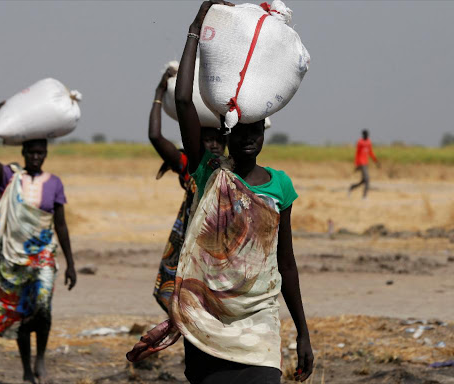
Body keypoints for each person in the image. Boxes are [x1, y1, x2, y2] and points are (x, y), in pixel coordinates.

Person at [128, 2, 314, 383]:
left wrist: (303, 333)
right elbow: (183, 101)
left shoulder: (281, 186)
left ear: (264, 132)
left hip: (259, 324)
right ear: (228, 132)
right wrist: (196, 26)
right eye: (241, 132)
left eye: (256, 131)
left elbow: (287, 263)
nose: (249, 139)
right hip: (206, 318)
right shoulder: (208, 170)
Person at [0, 102, 77, 384]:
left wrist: (71, 263)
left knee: (43, 308)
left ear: (45, 154)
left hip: (43, 255)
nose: (35, 157)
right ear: (23, 153)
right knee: (22, 312)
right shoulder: (10, 176)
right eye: (31, 152)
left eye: (40, 153)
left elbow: (61, 225)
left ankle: (41, 357)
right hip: (13, 257)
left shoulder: (54, 182)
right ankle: (24, 368)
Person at [149, 66, 227, 312]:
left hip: (224, 244)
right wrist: (159, 93)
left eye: (218, 139)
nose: (213, 144)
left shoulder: (235, 167)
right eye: (207, 139)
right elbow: (155, 136)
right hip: (192, 243)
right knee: (188, 307)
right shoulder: (190, 165)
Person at [348, 129, 379, 198]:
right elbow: (357, 153)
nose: (367, 136)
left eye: (367, 134)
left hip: (366, 163)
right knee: (367, 179)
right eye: (365, 134)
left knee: (363, 180)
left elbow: (370, 152)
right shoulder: (360, 142)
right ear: (363, 135)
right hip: (361, 163)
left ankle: (351, 187)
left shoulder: (369, 142)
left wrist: (376, 161)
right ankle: (364, 196)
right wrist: (356, 164)